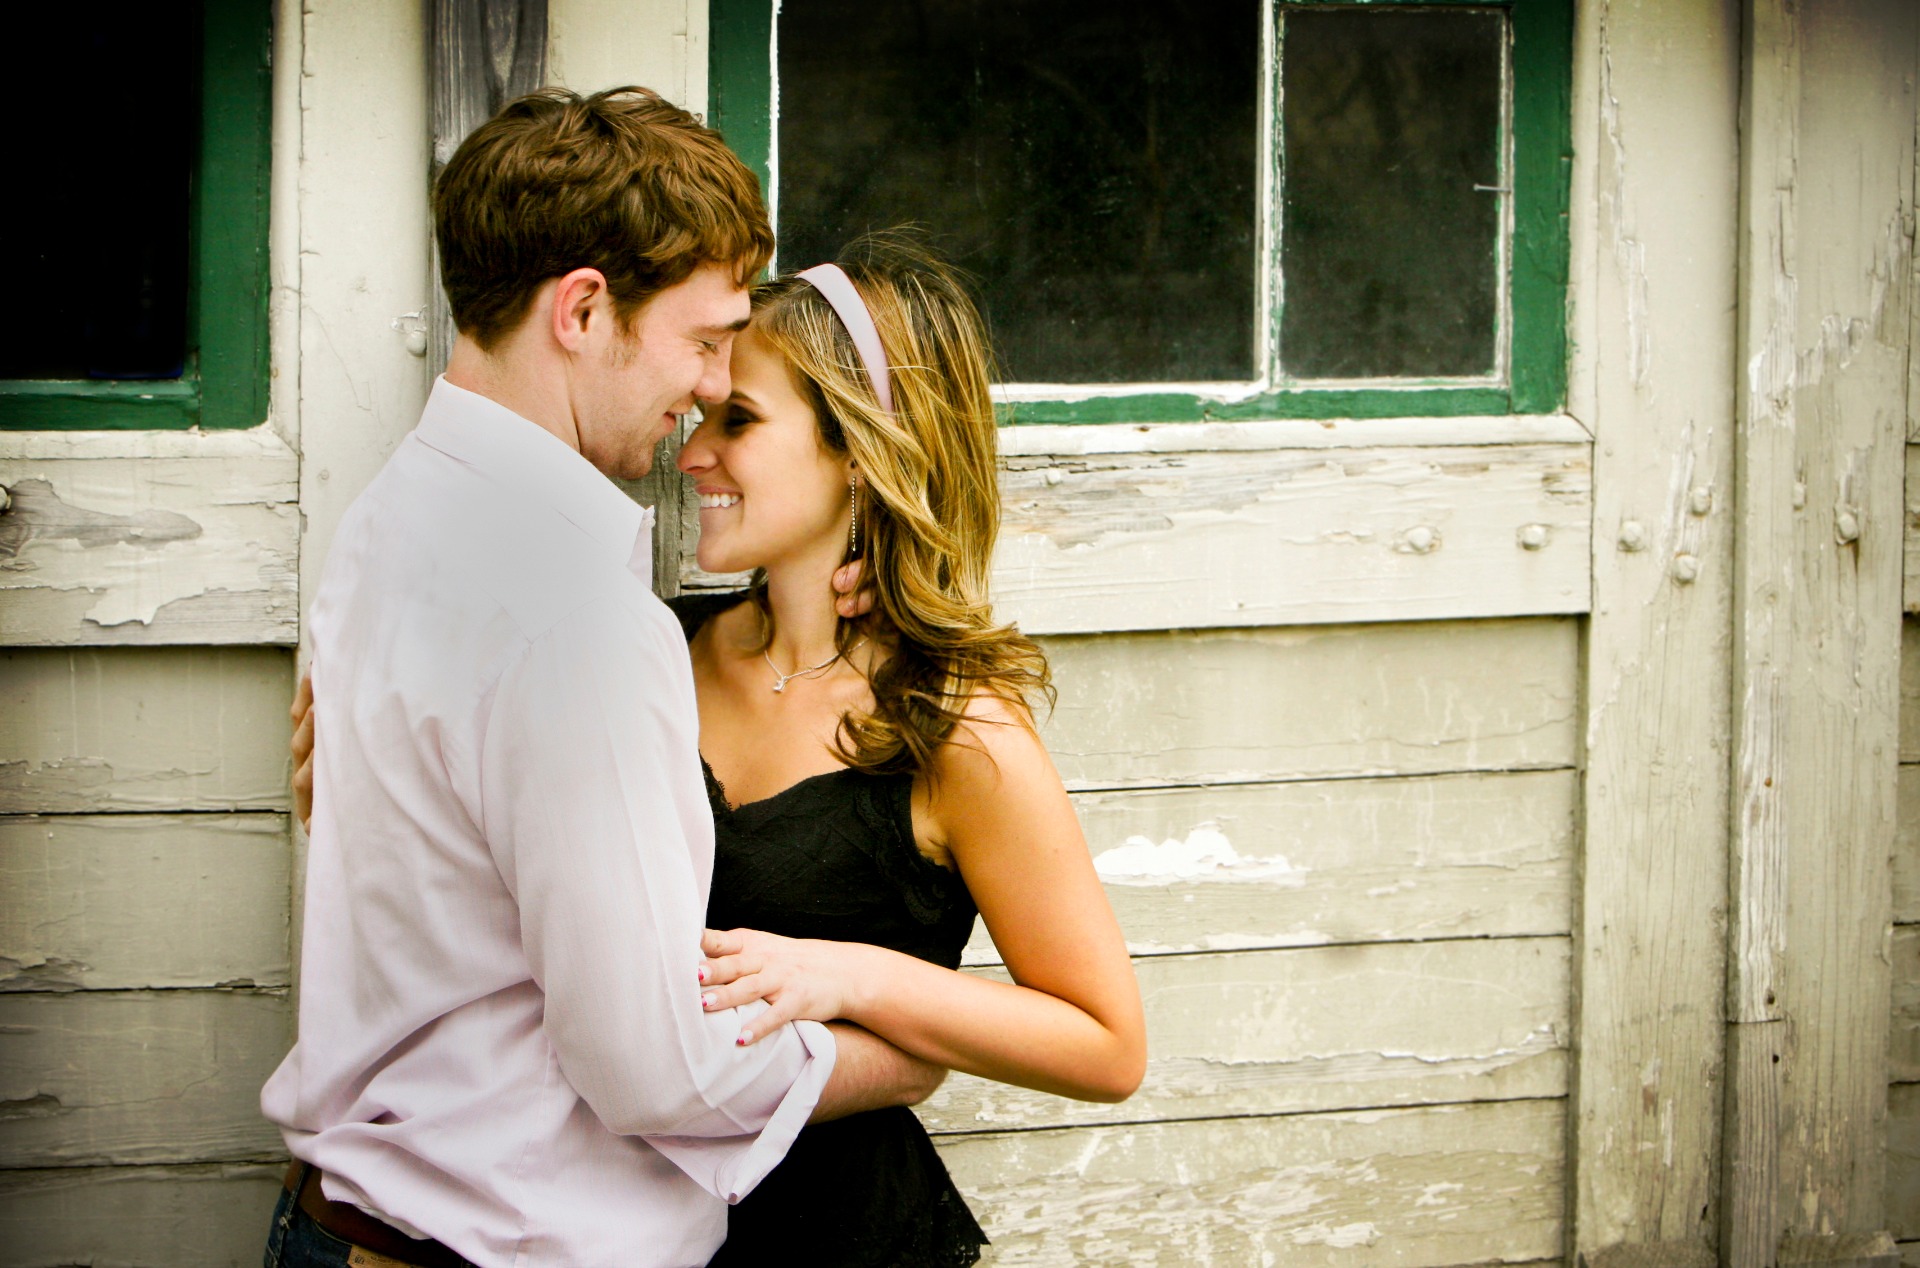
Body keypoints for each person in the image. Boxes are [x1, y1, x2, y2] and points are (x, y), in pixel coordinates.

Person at [260, 88, 943, 1268]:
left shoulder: (385, 522)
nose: (713, 384)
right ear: (581, 309)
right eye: (706, 339)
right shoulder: (575, 615)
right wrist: (893, 1053)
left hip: (342, 1225)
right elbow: (655, 1066)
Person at [675, 235, 1146, 1265]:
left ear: (858, 449)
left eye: (738, 419)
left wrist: (852, 977)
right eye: (699, 414)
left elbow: (1108, 1044)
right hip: (616, 1225)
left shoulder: (956, 730)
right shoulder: (653, 655)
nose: (693, 451)